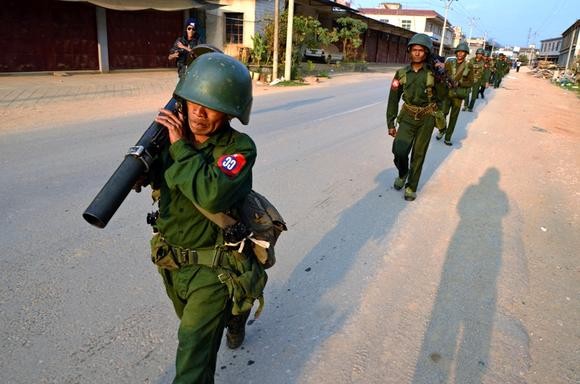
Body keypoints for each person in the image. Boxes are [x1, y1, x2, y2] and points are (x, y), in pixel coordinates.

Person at [143, 51, 265, 383]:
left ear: (229, 111)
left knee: (193, 350)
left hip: (214, 269)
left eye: (210, 105)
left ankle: (233, 308)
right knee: (191, 326)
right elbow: (158, 181)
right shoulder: (171, 137)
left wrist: (180, 147)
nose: (198, 111)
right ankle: (234, 314)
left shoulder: (239, 149)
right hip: (173, 263)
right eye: (193, 101)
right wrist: (144, 166)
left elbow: (211, 193)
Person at [386, 33, 443, 201]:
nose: (417, 53)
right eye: (414, 50)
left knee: (418, 154)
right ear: (410, 51)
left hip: (426, 118)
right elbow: (393, 99)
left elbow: (443, 96)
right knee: (399, 150)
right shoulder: (401, 73)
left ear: (427, 53)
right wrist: (390, 122)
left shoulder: (434, 73)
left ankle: (411, 186)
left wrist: (443, 74)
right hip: (408, 116)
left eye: (421, 50)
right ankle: (403, 173)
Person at [435, 41, 474, 146]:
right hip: (447, 93)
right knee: (442, 114)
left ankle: (448, 137)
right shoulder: (449, 63)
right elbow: (443, 75)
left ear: (466, 54)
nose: (460, 54)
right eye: (459, 52)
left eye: (463, 52)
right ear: (456, 53)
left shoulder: (469, 66)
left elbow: (471, 82)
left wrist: (460, 83)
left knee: (453, 117)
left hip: (458, 95)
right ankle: (442, 130)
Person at [464, 48, 488, 112]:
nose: (479, 55)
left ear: (482, 55)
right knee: (467, 92)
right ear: (476, 54)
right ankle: (465, 105)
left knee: (474, 94)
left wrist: (486, 82)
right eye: (478, 54)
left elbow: (485, 73)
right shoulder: (471, 60)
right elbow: (467, 68)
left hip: (478, 80)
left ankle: (470, 107)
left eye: (481, 54)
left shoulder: (484, 63)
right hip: (470, 79)